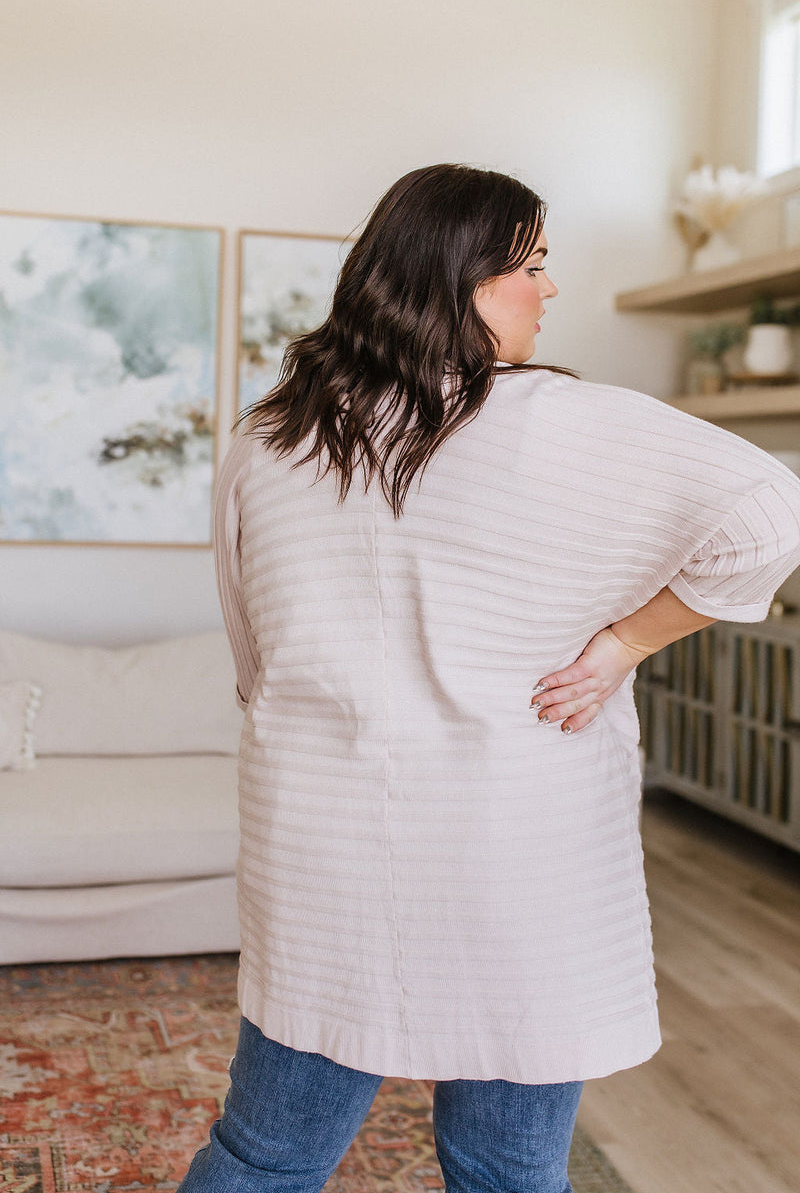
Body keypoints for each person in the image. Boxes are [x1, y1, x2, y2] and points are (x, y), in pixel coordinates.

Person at [178, 164, 800, 1193]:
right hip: (517, 856)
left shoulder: (269, 435)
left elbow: (256, 664)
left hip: (323, 849)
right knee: (505, 1169)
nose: (548, 290)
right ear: (458, 278)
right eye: (532, 264)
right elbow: (771, 513)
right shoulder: (563, 421)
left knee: (264, 1155)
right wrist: (623, 644)